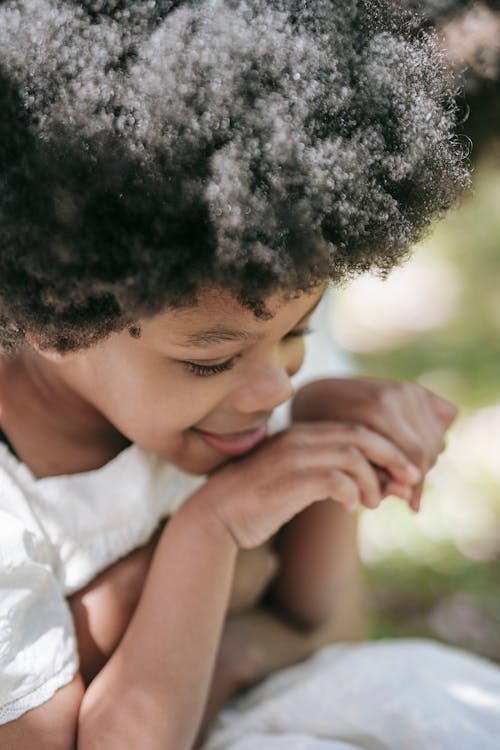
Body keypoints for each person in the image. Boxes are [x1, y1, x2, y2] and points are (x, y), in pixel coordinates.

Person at [0, 1, 475, 748]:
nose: (272, 387)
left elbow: (328, 632)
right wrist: (209, 533)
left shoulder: (242, 388)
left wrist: (322, 430)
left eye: (300, 331)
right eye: (212, 359)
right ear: (52, 316)